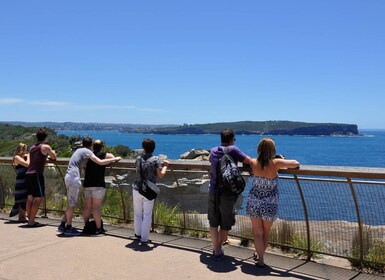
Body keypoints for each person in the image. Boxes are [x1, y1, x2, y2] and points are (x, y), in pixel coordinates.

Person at [246, 138, 299, 267]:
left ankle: (261, 259)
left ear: (259, 149)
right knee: (266, 233)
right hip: (270, 203)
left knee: (257, 233)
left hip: (254, 201)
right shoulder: (276, 163)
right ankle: (260, 257)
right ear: (272, 150)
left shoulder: (253, 162)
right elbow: (296, 163)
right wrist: (280, 158)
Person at [58, 137, 122, 236]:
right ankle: (73, 227)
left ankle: (81, 225)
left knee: (84, 206)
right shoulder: (89, 153)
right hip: (82, 180)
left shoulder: (81, 152)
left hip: (80, 180)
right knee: (91, 206)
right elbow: (101, 162)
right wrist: (116, 158)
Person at [208, 129, 252, 260]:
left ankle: (216, 249)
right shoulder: (233, 150)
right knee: (226, 223)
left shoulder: (213, 151)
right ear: (232, 139)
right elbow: (249, 161)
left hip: (213, 190)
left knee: (213, 222)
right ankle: (219, 247)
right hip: (227, 192)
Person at [132, 138, 169, 245]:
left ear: (143, 148)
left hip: (137, 187)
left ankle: (137, 234)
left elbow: (137, 171)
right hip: (149, 189)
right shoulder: (156, 159)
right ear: (154, 148)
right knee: (147, 214)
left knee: (137, 213)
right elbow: (161, 175)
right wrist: (166, 166)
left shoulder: (138, 158)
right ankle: (144, 238)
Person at [82, 140, 116, 234]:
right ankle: (98, 228)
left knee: (87, 206)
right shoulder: (103, 155)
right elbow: (113, 158)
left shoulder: (89, 155)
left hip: (87, 183)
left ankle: (86, 225)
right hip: (98, 184)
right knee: (96, 207)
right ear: (102, 146)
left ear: (93, 146)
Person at [25, 128, 57, 227]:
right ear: (45, 137)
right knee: (38, 198)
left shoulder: (32, 147)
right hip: (37, 174)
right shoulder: (46, 147)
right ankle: (31, 221)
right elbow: (54, 157)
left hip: (29, 173)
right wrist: (51, 153)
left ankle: (30, 218)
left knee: (30, 198)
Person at [9, 143, 30, 222]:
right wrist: (28, 157)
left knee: (25, 197)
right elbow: (27, 164)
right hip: (21, 179)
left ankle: (23, 216)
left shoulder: (22, 157)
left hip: (25, 179)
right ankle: (22, 217)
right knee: (20, 198)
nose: (26, 151)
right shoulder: (17, 157)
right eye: (25, 149)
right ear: (22, 149)